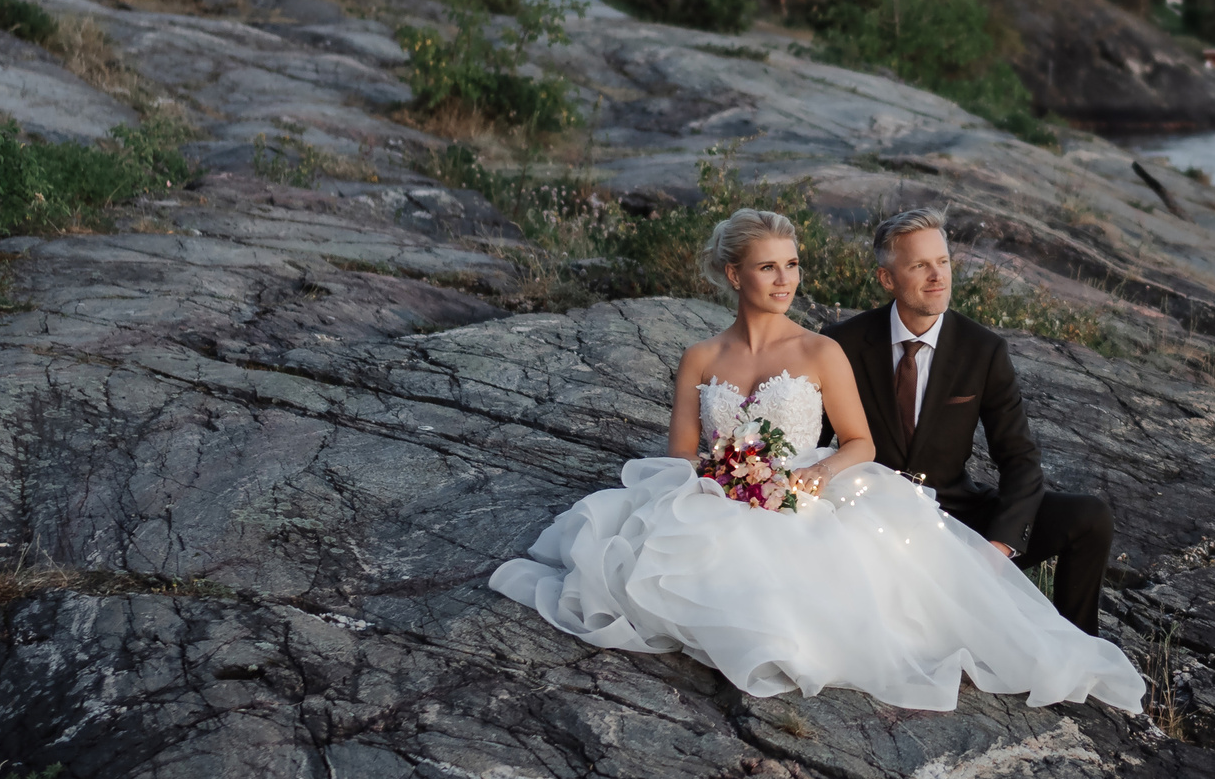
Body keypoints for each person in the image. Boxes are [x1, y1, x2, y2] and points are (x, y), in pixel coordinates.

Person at [488, 207, 1143, 711]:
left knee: (1076, 524)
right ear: (733, 274)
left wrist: (994, 544)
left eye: (793, 265)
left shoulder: (951, 349)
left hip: (895, 495)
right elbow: (686, 458)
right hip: (753, 494)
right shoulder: (754, 351)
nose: (785, 279)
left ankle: (1062, 638)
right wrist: (737, 474)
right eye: (770, 266)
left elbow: (973, 455)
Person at [823, 208, 1118, 636]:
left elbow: (1019, 459)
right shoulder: (842, 344)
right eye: (919, 265)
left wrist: (996, 551)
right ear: (887, 279)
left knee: (1089, 516)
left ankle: (1078, 643)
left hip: (957, 517)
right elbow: (816, 443)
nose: (937, 276)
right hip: (870, 519)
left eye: (942, 262)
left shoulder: (983, 350)